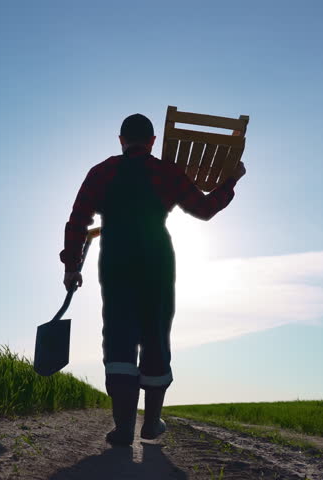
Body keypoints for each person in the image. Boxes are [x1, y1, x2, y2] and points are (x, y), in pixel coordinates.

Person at [59, 113, 245, 446]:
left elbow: (77, 220)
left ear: (120, 140)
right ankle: (152, 422)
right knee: (155, 333)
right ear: (153, 142)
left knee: (119, 337)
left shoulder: (102, 172)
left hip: (116, 260)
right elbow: (203, 209)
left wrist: (72, 265)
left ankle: (122, 427)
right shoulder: (167, 170)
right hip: (157, 260)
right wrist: (230, 182)